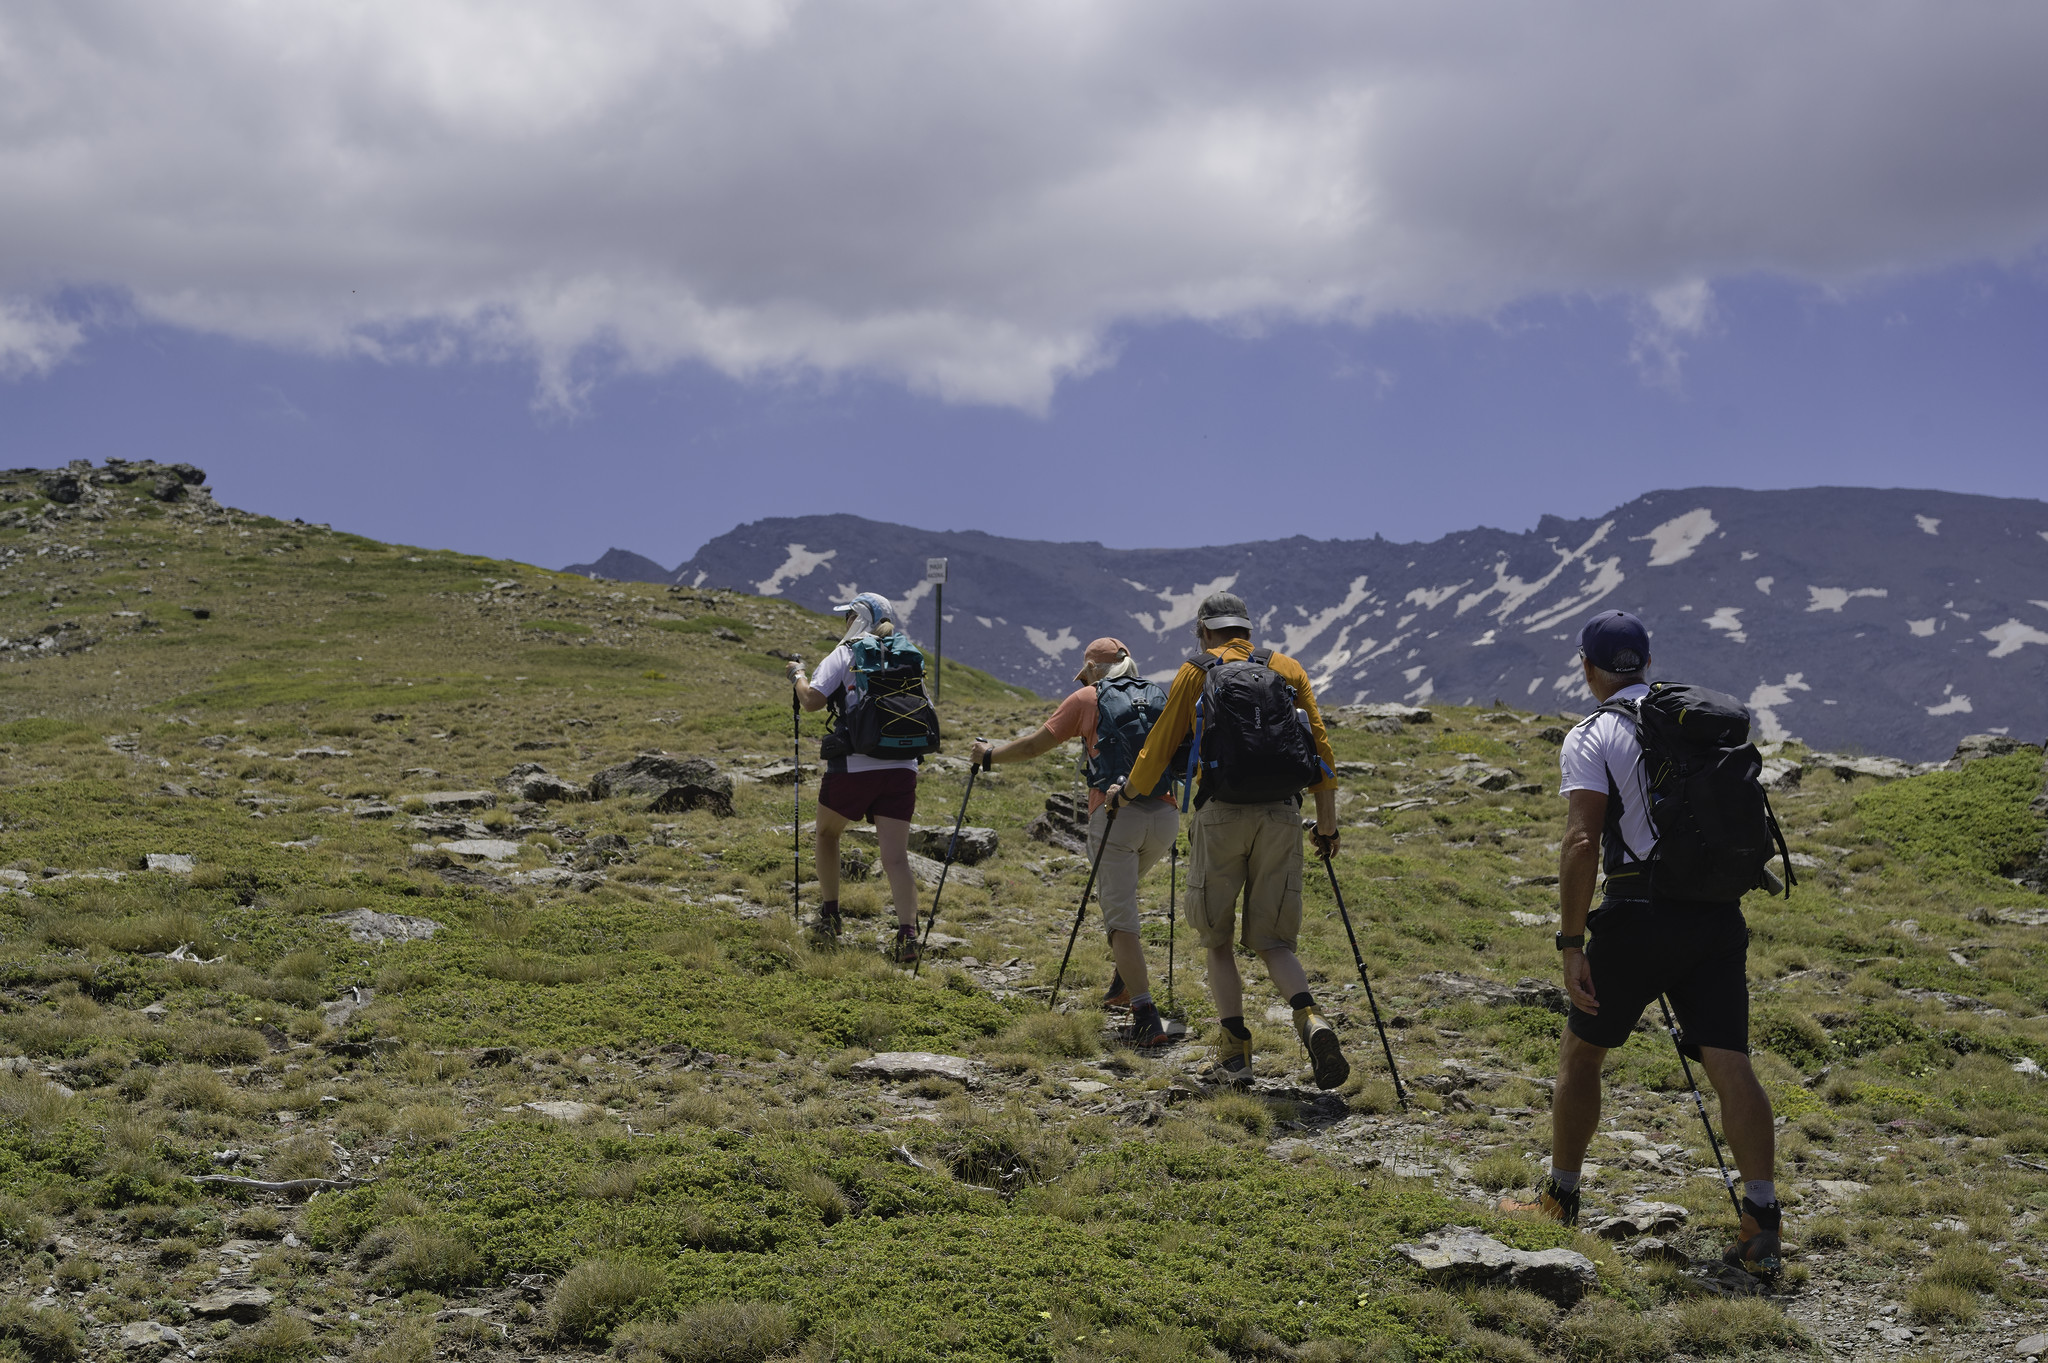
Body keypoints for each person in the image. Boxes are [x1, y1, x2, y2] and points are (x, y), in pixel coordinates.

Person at [1502, 609, 1783, 1273]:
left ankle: (1560, 1197)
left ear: (1587, 666)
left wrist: (1572, 942)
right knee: (1730, 1061)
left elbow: (1580, 840)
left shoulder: (1595, 732)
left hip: (1636, 915)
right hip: (1716, 916)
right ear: (1646, 662)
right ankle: (1762, 1215)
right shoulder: (1694, 724)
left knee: (1582, 1054)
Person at [1107, 591, 1351, 1090]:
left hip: (1219, 815)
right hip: (1283, 815)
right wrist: (1326, 826)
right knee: (1274, 941)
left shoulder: (1195, 670)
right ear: (1247, 629)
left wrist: (1127, 791)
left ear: (1204, 630)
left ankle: (1235, 1054)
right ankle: (1311, 1020)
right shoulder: (1287, 668)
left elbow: (1160, 745)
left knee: (1217, 939)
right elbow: (1320, 749)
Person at [971, 638, 1179, 1047]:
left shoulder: (1087, 697)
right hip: (1166, 816)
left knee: (1119, 917)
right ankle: (1123, 983)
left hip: (1116, 814)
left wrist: (990, 756)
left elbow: (1035, 745)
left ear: (1092, 668)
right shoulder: (1157, 695)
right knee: (1126, 895)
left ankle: (1144, 1013)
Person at [786, 592, 923, 963]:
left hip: (855, 765)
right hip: (902, 765)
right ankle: (908, 935)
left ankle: (830, 915)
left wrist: (798, 674)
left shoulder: (847, 653)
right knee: (895, 857)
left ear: (857, 618)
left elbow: (812, 701)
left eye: (847, 615)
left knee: (828, 834)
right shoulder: (908, 654)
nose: (844, 622)